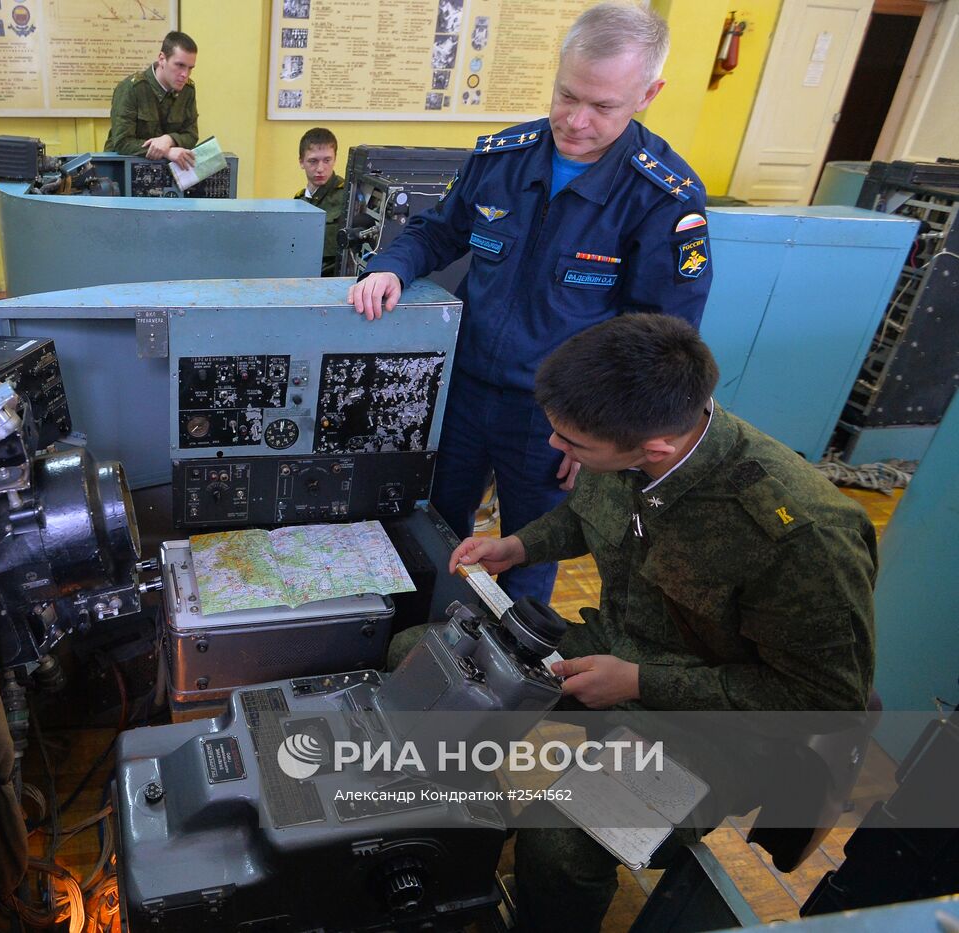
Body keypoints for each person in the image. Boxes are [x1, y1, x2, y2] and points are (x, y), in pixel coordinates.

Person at [439, 314, 877, 932]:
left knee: (560, 839)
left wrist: (641, 683)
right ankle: (455, 840)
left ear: (656, 451)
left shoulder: (803, 538)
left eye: (574, 447)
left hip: (719, 728)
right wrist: (517, 547)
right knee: (433, 665)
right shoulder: (624, 438)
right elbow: (587, 516)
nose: (554, 451)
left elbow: (826, 700)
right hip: (612, 649)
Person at [347, 1, 713, 605]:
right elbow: (437, 231)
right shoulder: (503, 157)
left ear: (649, 93)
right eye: (566, 95)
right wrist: (388, 267)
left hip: (552, 421)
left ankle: (508, 679)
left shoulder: (664, 197)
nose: (574, 121)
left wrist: (601, 434)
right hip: (459, 394)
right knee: (427, 531)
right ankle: (420, 645)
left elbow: (663, 339)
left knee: (529, 553)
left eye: (603, 107)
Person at [106, 31, 199, 169]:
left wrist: (169, 139)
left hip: (167, 172)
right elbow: (122, 142)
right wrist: (166, 152)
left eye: (190, 68)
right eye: (179, 65)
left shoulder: (188, 90)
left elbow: (191, 135)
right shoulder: (131, 88)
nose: (185, 74)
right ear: (162, 59)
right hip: (123, 169)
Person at [293, 127, 346, 276]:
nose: (320, 168)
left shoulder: (347, 197)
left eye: (327, 160)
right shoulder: (299, 200)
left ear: (335, 159)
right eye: (313, 161)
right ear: (301, 162)